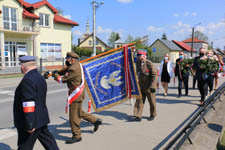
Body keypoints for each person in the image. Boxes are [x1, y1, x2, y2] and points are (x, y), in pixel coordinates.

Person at [44, 52, 102, 144]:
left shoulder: (74, 69)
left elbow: (62, 80)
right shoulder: (76, 65)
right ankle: (95, 121)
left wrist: (55, 75)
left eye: (67, 58)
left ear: (72, 59)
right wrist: (53, 73)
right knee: (79, 112)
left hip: (76, 94)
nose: (66, 60)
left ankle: (77, 136)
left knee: (73, 117)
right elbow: (64, 71)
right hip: (78, 93)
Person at [13, 56, 59, 150]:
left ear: (22, 67)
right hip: (41, 118)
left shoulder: (27, 80)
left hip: (31, 122)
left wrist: (29, 125)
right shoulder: (39, 77)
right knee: (49, 143)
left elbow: (28, 103)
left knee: (24, 146)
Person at [130, 49, 157, 121]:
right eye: (138, 55)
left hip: (149, 86)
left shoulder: (149, 63)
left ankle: (152, 115)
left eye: (140, 55)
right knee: (139, 101)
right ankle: (138, 115)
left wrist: (153, 86)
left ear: (144, 56)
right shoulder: (138, 63)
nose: (138, 57)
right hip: (141, 86)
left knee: (152, 102)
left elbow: (154, 75)